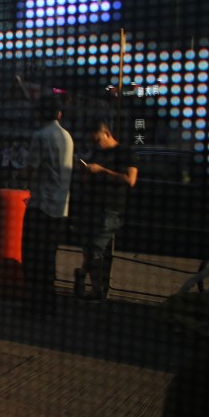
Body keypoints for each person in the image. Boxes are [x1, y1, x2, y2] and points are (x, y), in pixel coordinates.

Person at [20, 94, 73, 318]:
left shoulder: (41, 136)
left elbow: (29, 170)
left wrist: (22, 174)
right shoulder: (67, 136)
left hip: (41, 205)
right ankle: (48, 303)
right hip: (61, 207)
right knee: (49, 257)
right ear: (58, 114)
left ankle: (34, 305)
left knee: (32, 258)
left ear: (39, 113)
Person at [74, 120, 137, 301]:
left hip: (111, 208)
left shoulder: (125, 152)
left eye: (97, 140)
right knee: (89, 247)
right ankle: (91, 283)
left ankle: (92, 285)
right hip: (92, 205)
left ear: (107, 134)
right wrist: (86, 172)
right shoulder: (97, 153)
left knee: (96, 248)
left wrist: (102, 170)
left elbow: (130, 180)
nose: (96, 144)